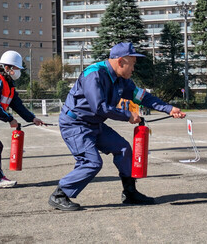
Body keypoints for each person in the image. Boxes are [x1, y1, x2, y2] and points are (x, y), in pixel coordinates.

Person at [48, 42, 186, 211]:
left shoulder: (123, 81)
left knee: (123, 149)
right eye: (132, 64)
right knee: (92, 162)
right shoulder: (94, 75)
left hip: (94, 123)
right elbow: (99, 107)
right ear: (121, 62)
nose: (133, 69)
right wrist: (128, 115)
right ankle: (60, 194)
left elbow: (143, 98)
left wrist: (169, 109)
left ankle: (130, 192)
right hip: (76, 124)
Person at [0, 50, 44, 189]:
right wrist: (10, 119)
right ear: (7, 68)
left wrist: (32, 118)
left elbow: (17, 105)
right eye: (16, 68)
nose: (19, 71)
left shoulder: (8, 85)